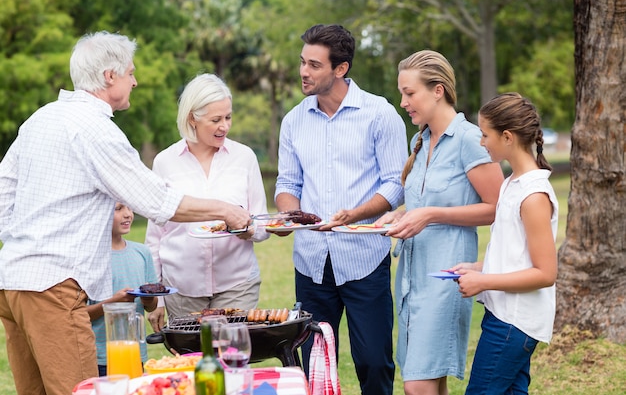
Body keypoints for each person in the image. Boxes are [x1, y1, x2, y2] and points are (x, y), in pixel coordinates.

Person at [0, 31, 250, 395]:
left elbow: (4, 193)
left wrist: (26, 243)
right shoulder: (96, 129)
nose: (136, 80)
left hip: (13, 281)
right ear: (109, 77)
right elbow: (157, 201)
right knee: (83, 390)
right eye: (131, 72)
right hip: (53, 287)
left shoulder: (41, 118)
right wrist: (225, 209)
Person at [274, 24, 408, 395]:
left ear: (340, 69)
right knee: (311, 361)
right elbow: (287, 186)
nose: (304, 71)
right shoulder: (294, 120)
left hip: (365, 257)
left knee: (374, 360)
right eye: (302, 62)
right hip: (312, 260)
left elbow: (395, 185)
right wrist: (290, 215)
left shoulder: (380, 114)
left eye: (314, 65)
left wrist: (356, 213)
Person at [375, 50, 504, 395]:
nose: (403, 102)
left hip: (447, 275)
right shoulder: (419, 140)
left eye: (409, 93)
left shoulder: (469, 140)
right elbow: (425, 204)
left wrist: (430, 214)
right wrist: (402, 215)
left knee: (417, 385)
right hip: (410, 278)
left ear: (438, 90)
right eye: (401, 93)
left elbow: (497, 208)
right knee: (428, 382)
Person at [145, 73, 270, 331]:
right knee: (193, 363)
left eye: (228, 117)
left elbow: (262, 224)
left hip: (237, 284)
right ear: (193, 118)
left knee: (232, 358)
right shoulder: (164, 162)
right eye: (215, 120)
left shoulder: (244, 158)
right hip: (182, 289)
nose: (224, 126)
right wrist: (156, 297)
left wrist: (250, 230)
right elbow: (155, 236)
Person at [451, 92, 558, 394]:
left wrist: (484, 280)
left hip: (514, 323)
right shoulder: (512, 184)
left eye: (485, 134)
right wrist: (477, 267)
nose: (481, 142)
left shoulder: (534, 195)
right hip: (502, 316)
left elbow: (545, 273)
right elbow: (516, 256)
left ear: (508, 137)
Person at [87, 202, 158, 377]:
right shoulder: (90, 257)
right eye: (118, 209)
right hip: (100, 357)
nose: (128, 214)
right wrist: (114, 302)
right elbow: (80, 314)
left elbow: (151, 306)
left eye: (129, 208)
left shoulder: (142, 252)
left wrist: (148, 299)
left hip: (135, 353)